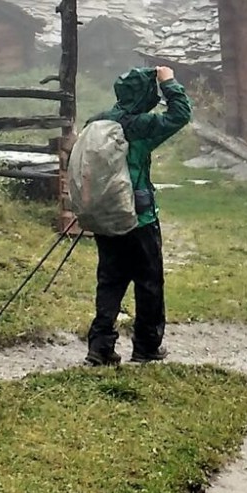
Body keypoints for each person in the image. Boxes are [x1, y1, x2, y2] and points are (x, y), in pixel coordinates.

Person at [84, 65, 192, 367]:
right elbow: (180, 114)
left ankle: (101, 346)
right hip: (139, 217)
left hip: (106, 214)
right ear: (144, 95)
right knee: (148, 281)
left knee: (110, 280)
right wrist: (168, 82)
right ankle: (146, 345)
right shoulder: (141, 125)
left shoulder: (98, 122)